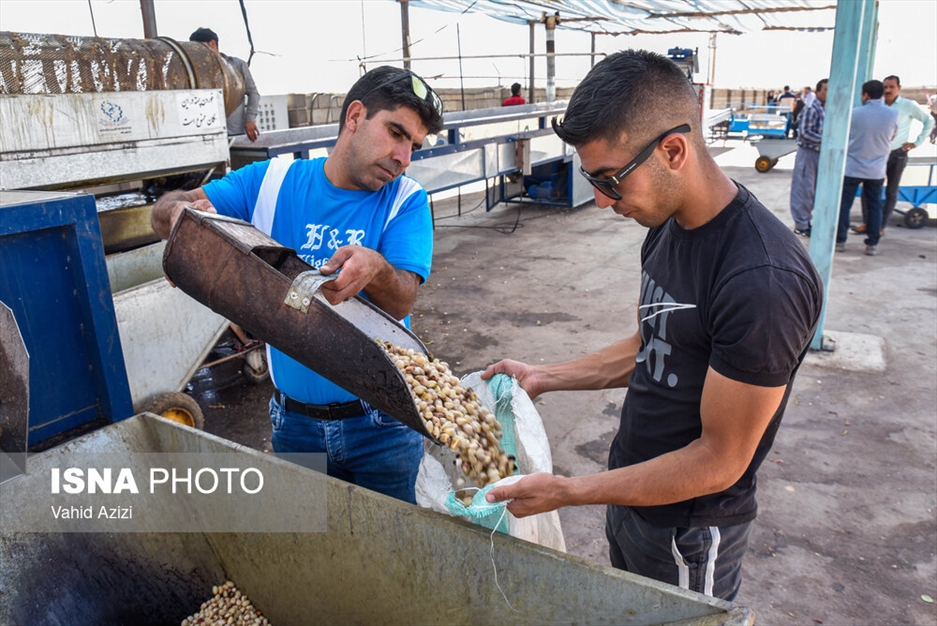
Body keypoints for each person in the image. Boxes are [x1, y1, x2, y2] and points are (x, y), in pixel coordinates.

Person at [482, 49, 823, 601]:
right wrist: (545, 376)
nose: (600, 201)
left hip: (689, 528)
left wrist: (571, 491)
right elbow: (653, 342)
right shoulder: (667, 227)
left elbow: (720, 459)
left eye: (610, 180)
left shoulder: (762, 279)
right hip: (631, 493)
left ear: (673, 151)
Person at [151, 66, 445, 503]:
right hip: (294, 424)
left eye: (413, 146)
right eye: (395, 133)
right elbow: (168, 210)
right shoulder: (270, 182)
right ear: (355, 116)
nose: (403, 157)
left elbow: (403, 297)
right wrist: (181, 218)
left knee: (395, 541)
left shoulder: (406, 200)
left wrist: (377, 268)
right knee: (310, 541)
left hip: (382, 427)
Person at [851, 75, 935, 235]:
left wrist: (916, 142)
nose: (888, 90)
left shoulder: (908, 105)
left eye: (892, 87)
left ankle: (881, 226)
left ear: (899, 88)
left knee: (891, 191)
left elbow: (928, 121)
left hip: (898, 154)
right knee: (869, 188)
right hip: (878, 153)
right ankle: (867, 223)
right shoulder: (878, 105)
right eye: (885, 87)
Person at [835, 80, 898, 256]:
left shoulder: (854, 113)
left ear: (866, 94)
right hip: (876, 170)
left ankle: (840, 240)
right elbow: (893, 136)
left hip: (853, 167)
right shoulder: (893, 114)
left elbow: (846, 135)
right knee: (874, 206)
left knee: (844, 205)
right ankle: (872, 243)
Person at [189, 27, 261, 141]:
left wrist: (250, 119)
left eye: (198, 47)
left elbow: (253, 93)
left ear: (212, 44)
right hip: (211, 136)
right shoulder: (197, 72)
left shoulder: (237, 65)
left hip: (236, 133)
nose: (196, 53)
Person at [789, 78, 828, 237]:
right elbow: (805, 133)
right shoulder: (812, 108)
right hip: (808, 153)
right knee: (804, 190)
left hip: (820, 153)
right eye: (826, 89)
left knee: (815, 191)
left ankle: (807, 222)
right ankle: (801, 224)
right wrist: (827, 141)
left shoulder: (826, 109)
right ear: (818, 91)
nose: (829, 93)